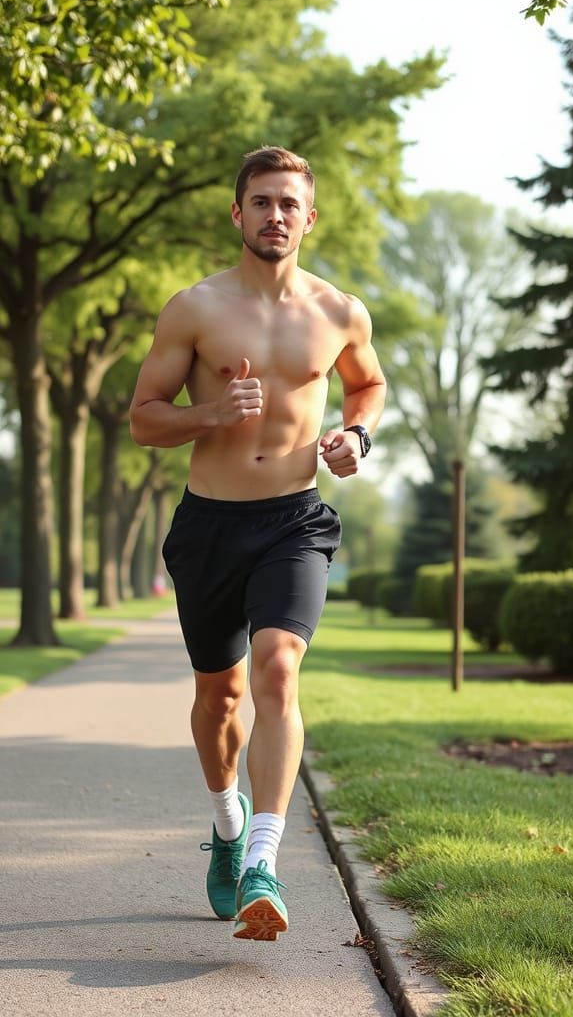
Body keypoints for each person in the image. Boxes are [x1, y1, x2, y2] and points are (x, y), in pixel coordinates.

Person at [129, 146, 387, 942]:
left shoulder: (340, 310)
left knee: (277, 666)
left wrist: (357, 437)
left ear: (310, 218)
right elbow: (143, 418)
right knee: (221, 698)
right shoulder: (195, 309)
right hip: (209, 525)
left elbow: (367, 385)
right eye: (262, 201)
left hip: (294, 520)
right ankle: (227, 825)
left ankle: (264, 863)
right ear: (237, 214)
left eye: (289, 204)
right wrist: (209, 415)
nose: (276, 215)